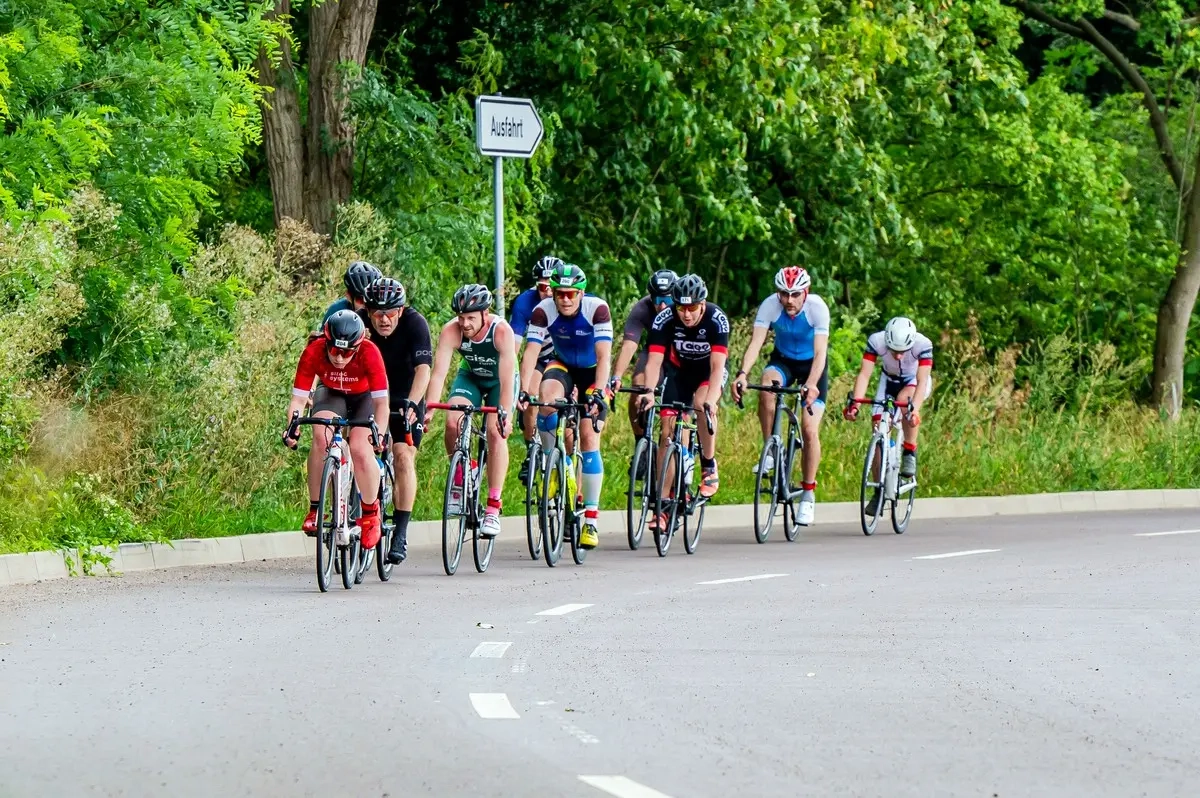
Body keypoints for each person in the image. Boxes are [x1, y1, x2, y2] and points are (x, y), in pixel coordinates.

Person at [517, 263, 613, 550]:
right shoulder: (542, 310)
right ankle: (552, 463)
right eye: (560, 293)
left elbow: (604, 356)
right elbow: (531, 353)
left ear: (581, 293)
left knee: (588, 437)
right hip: (563, 366)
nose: (565, 299)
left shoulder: (597, 309)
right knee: (545, 399)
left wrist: (598, 393)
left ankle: (591, 520)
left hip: (593, 373)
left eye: (571, 294)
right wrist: (524, 390)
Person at [283, 310, 389, 550]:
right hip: (331, 393)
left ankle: (371, 513)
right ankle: (315, 509)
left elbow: (382, 404)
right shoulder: (314, 351)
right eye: (334, 350)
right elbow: (298, 400)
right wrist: (292, 428)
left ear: (358, 347)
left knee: (360, 448)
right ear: (326, 342)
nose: (340, 358)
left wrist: (379, 436)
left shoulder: (370, 352)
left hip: (363, 398)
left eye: (347, 352)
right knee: (321, 436)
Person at [731, 266, 829, 526]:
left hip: (812, 366)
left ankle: (808, 494)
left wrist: (811, 384)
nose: (789, 300)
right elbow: (756, 343)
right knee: (767, 387)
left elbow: (821, 352)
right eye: (783, 294)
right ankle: (771, 451)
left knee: (809, 430)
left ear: (806, 292)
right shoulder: (770, 306)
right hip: (783, 361)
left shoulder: (817, 308)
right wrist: (743, 374)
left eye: (795, 294)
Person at [423, 284, 515, 540]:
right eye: (461, 317)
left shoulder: (501, 332)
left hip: (499, 383)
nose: (464, 324)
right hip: (471, 377)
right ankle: (463, 474)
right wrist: (429, 408)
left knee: (495, 432)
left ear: (485, 314)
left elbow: (508, 380)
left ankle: (493, 506)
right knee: (453, 421)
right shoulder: (451, 330)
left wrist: (505, 415)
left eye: (471, 318)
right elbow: (439, 373)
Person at [637, 274, 729, 528]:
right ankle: (663, 506)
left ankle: (708, 465)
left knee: (701, 404)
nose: (686, 314)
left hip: (708, 373)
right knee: (667, 433)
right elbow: (654, 362)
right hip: (680, 372)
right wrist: (648, 391)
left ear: (702, 304)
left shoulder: (716, 319)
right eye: (681, 308)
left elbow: (718, 367)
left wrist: (712, 400)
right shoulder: (665, 319)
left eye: (692, 308)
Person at [363, 277, 432, 564]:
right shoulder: (360, 322)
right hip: (371, 392)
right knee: (360, 448)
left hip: (405, 393)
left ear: (400, 310)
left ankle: (401, 532)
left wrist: (413, 403)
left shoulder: (415, 324)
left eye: (390, 313)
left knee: (403, 456)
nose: (384, 319)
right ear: (368, 312)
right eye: (377, 313)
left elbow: (424, 370)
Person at [844, 316, 933, 513]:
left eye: (903, 351)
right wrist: (855, 405)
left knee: (905, 402)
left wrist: (915, 410)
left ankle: (909, 450)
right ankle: (879, 491)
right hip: (889, 381)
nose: (899, 356)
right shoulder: (876, 341)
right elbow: (864, 374)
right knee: (878, 429)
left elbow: (922, 380)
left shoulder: (923, 344)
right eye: (894, 351)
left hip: (914, 382)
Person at [609, 269, 678, 441]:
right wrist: (616, 376)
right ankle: (641, 441)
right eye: (657, 300)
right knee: (638, 386)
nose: (662, 306)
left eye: (668, 300)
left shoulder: (685, 309)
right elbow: (629, 345)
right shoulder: (642, 308)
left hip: (681, 354)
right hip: (654, 351)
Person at [509, 256, 561, 481]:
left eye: (551, 287)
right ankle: (532, 450)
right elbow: (514, 346)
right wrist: (514, 382)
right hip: (540, 355)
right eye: (542, 287)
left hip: (564, 357)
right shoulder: (525, 302)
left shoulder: (567, 299)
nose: (547, 292)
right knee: (530, 393)